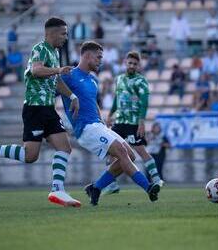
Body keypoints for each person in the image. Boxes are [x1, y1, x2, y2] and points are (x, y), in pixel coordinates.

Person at [0, 17, 81, 207]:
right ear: (50, 33)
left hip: (48, 109)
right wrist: (58, 69)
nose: (66, 37)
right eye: (63, 33)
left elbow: (56, 80)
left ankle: (58, 190)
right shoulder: (40, 48)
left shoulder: (54, 52)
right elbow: (36, 71)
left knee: (65, 148)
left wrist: (72, 96)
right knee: (30, 156)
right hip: (34, 108)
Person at [61, 42, 161, 206]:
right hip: (85, 128)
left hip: (98, 125)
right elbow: (52, 88)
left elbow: (93, 104)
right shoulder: (68, 75)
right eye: (98, 57)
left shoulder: (93, 79)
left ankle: (96, 187)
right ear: (87, 56)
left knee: (130, 155)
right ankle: (148, 187)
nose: (101, 61)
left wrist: (103, 122)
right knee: (122, 152)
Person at [103, 51, 163, 194]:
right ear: (125, 63)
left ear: (138, 66)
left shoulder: (140, 81)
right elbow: (117, 99)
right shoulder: (119, 79)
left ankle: (157, 180)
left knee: (141, 151)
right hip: (119, 122)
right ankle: (112, 185)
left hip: (133, 123)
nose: (132, 66)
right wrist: (110, 114)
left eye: (135, 64)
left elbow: (144, 102)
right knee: (110, 152)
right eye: (130, 63)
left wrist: (142, 122)